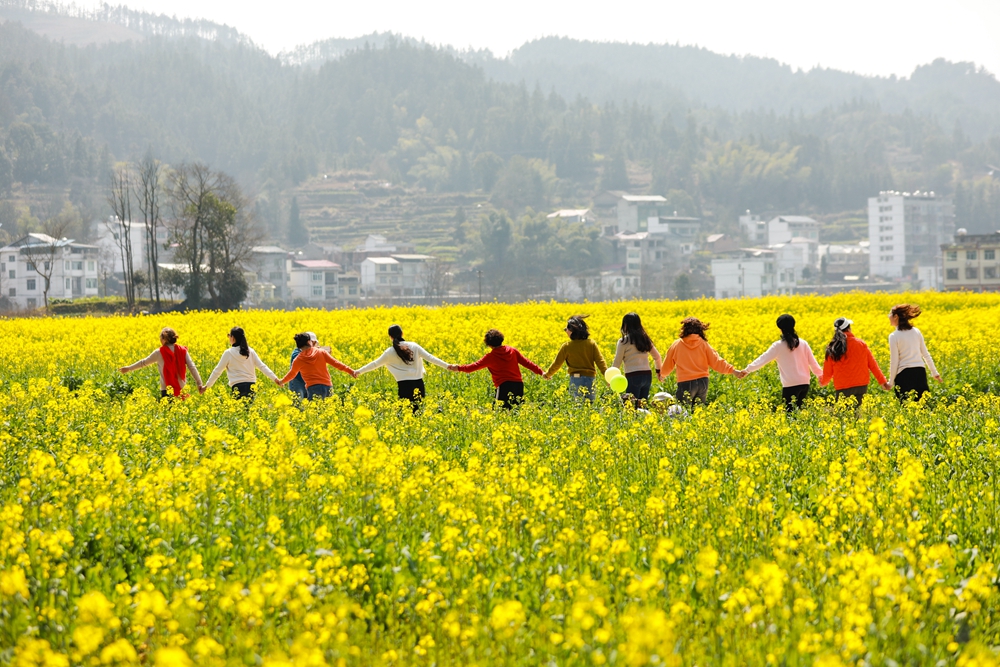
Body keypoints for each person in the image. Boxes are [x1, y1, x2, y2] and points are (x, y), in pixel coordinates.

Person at [355, 324, 451, 409]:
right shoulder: (414, 346)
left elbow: (374, 364)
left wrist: (358, 371)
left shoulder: (389, 352)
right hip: (419, 384)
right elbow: (430, 358)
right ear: (402, 333)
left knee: (406, 414)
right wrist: (448, 366)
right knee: (419, 413)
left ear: (390, 337)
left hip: (404, 386)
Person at [740, 314, 823, 411]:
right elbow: (813, 363)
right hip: (805, 384)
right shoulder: (803, 343)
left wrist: (747, 370)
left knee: (790, 416)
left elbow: (762, 360)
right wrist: (821, 376)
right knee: (800, 414)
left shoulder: (778, 346)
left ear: (780, 328)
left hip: (790, 385)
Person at [449, 328, 544, 409]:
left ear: (489, 344)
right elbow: (527, 363)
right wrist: (541, 372)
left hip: (504, 386)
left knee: (500, 413)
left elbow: (472, 367)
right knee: (517, 413)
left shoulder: (490, 357)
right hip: (519, 385)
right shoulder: (512, 351)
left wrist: (457, 368)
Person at [659, 317, 741, 407]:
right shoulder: (703, 344)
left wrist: (662, 374)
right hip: (703, 382)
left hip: (686, 383)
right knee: (699, 412)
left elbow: (668, 364)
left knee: (683, 412)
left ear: (684, 329)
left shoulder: (677, 344)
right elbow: (716, 361)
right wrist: (733, 371)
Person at [819, 317, 890, 410]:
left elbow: (828, 372)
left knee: (842, 417)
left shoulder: (833, 347)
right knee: (858, 416)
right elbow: (873, 365)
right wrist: (883, 382)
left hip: (842, 388)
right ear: (849, 328)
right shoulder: (861, 344)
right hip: (861, 386)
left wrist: (823, 382)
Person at [119, 326, 203, 399]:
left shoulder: (159, 352)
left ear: (164, 339)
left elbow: (143, 363)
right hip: (182, 389)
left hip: (166, 390)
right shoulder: (183, 351)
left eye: (160, 337)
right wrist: (199, 383)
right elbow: (192, 367)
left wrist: (129, 368)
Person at [201, 326, 278, 401]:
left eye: (229, 336)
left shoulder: (228, 353)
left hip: (237, 387)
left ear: (233, 338)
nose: (228, 338)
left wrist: (207, 386)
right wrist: (275, 379)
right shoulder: (250, 351)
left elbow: (217, 371)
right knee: (249, 412)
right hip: (251, 387)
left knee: (239, 412)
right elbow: (262, 366)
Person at [543, 315, 608, 401]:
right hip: (590, 380)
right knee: (590, 407)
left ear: (572, 331)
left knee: (577, 408)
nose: (565, 331)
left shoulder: (567, 346)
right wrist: (608, 377)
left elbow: (557, 364)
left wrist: (548, 374)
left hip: (575, 380)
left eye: (566, 329)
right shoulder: (591, 344)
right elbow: (600, 362)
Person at [887, 303, 941, 402]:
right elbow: (925, 354)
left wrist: (890, 382)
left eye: (890, 314)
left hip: (904, 375)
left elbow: (894, 361)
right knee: (922, 407)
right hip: (920, 373)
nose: (888, 316)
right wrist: (934, 372)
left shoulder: (894, 336)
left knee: (907, 407)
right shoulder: (916, 331)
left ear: (896, 317)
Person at [278, 332, 355, 400]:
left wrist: (282, 381)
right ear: (309, 342)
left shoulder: (298, 360)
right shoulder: (321, 352)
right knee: (328, 412)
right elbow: (336, 363)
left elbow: (292, 374)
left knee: (316, 413)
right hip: (328, 387)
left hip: (313, 388)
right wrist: (351, 371)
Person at [611, 312, 662, 408]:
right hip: (647, 376)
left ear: (625, 325)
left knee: (631, 407)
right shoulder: (645, 339)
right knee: (642, 406)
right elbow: (657, 357)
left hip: (633, 376)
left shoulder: (624, 341)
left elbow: (617, 362)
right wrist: (659, 371)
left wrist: (611, 378)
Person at [287, 331, 318, 399]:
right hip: (297, 382)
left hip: (308, 382)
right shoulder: (296, 353)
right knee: (297, 406)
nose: (315, 345)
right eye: (314, 343)